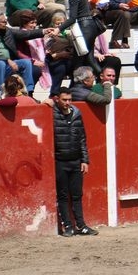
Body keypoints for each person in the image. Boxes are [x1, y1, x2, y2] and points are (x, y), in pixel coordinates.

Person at [51, 87, 98, 236]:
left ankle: (81, 225)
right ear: (57, 99)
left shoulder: (76, 114)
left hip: (76, 160)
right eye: (64, 100)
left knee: (77, 195)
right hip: (60, 161)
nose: (68, 103)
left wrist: (85, 160)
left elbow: (82, 138)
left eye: (70, 100)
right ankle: (68, 226)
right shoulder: (51, 114)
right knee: (63, 195)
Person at [0, 10, 53, 98]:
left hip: (8, 64)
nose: (6, 23)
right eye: (4, 21)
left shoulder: (7, 31)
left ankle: (28, 92)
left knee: (26, 63)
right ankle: (1, 92)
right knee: (0, 64)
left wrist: (43, 31)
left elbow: (26, 34)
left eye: (6, 21)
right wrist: (6, 60)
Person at [57, 0, 104, 75]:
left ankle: (76, 86)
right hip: (89, 27)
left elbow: (72, 18)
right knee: (89, 58)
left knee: (78, 59)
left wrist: (58, 29)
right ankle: (103, 79)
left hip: (85, 28)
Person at [15, 9, 50, 92]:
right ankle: (29, 92)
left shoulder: (36, 34)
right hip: (26, 61)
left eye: (35, 22)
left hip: (41, 61)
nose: (34, 25)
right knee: (35, 70)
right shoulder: (19, 35)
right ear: (24, 24)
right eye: (31, 23)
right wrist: (33, 61)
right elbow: (18, 53)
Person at [45, 12, 75, 97]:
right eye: (57, 23)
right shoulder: (49, 34)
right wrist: (57, 55)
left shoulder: (68, 34)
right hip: (54, 59)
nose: (60, 25)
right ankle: (54, 93)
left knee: (76, 68)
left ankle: (72, 90)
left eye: (62, 23)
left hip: (67, 58)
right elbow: (47, 49)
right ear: (53, 24)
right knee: (60, 69)